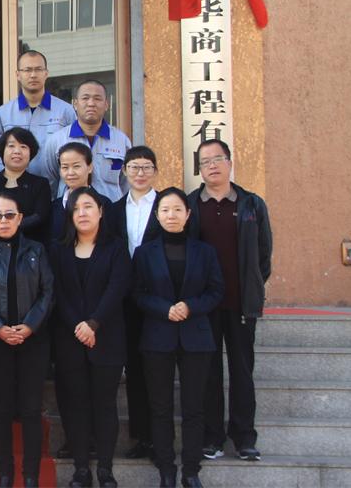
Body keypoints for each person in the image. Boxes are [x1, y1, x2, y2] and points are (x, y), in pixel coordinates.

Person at [133, 187, 225, 488]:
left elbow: (216, 291)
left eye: (177, 210)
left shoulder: (205, 251)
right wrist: (165, 309)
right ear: (157, 216)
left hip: (196, 337)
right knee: (160, 407)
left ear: (187, 214)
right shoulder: (144, 253)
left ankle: (191, 470)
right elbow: (137, 293)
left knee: (194, 408)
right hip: (157, 336)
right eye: (164, 210)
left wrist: (191, 306)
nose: (171, 215)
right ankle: (166, 470)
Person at [187, 140, 272, 463]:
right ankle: (213, 437)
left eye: (217, 159)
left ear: (230, 162)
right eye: (205, 161)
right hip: (204, 306)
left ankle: (245, 437)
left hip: (240, 304)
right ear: (199, 168)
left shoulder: (252, 204)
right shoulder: (191, 204)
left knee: (242, 372)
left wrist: (251, 286)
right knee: (208, 373)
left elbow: (263, 255)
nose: (212, 165)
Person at [50, 187, 131, 488]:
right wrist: (79, 326)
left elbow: (118, 287)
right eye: (76, 208)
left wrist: (94, 323)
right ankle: (81, 469)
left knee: (105, 404)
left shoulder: (116, 247)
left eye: (88, 207)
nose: (82, 213)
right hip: (69, 337)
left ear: (101, 211)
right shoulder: (58, 249)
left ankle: (106, 471)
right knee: (75, 404)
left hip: (106, 337)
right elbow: (57, 292)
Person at [0, 191, 54, 488]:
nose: (4, 221)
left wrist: (30, 326)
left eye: (10, 215)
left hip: (33, 340)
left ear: (20, 218)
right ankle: (4, 475)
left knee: (31, 410)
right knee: (2, 411)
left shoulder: (37, 250)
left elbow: (48, 292)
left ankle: (30, 476)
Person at [103, 145, 161, 461]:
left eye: (146, 167)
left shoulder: (168, 205)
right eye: (134, 167)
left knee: (157, 370)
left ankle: (160, 437)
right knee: (136, 370)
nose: (140, 173)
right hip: (125, 300)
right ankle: (143, 437)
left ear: (155, 171)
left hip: (160, 300)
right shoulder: (113, 211)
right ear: (124, 171)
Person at [41, 80, 131, 202]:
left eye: (97, 99)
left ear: (106, 105)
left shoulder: (121, 141)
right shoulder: (57, 140)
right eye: (85, 98)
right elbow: (51, 181)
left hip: (111, 210)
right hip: (71, 210)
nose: (91, 103)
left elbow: (126, 183)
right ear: (75, 104)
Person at [0, 50, 78, 177]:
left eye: (38, 69)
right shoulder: (2, 113)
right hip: (14, 186)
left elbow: (75, 151)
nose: (33, 75)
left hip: (55, 184)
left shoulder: (65, 111)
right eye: (27, 70)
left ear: (46, 73)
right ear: (18, 75)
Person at [0, 128, 52, 244]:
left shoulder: (40, 184)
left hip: (29, 247)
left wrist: (4, 225)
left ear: (31, 153)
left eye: (23, 147)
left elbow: (40, 216)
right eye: (11, 146)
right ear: (2, 151)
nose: (17, 151)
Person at [50, 143, 109, 243]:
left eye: (76, 166)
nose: (70, 173)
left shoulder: (104, 203)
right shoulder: (53, 207)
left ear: (90, 167)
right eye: (65, 167)